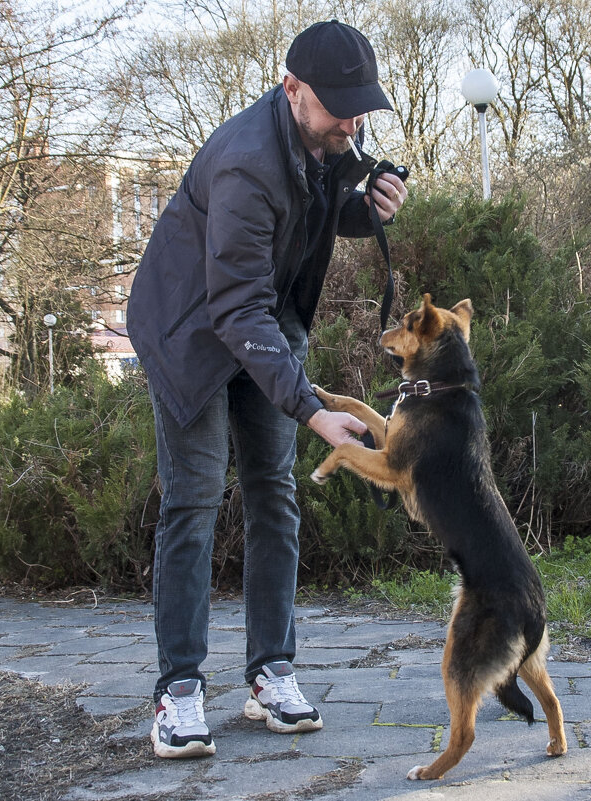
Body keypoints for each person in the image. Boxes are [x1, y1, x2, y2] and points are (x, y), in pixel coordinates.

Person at [126, 20, 407, 759]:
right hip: (193, 331)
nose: (352, 120)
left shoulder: (319, 142)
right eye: (338, 105)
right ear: (292, 90)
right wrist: (315, 410)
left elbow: (304, 218)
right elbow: (234, 308)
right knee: (192, 498)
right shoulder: (245, 162)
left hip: (262, 320)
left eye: (360, 106)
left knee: (272, 493)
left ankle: (270, 673)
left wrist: (361, 210)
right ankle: (178, 691)